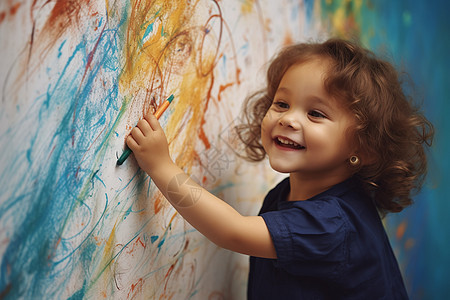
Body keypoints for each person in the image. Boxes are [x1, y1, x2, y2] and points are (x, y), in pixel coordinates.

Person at [126, 38, 434, 299]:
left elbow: (232, 231)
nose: (288, 119)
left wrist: (161, 166)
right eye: (282, 104)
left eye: (315, 113)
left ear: (363, 147)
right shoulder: (287, 194)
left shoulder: (332, 225)